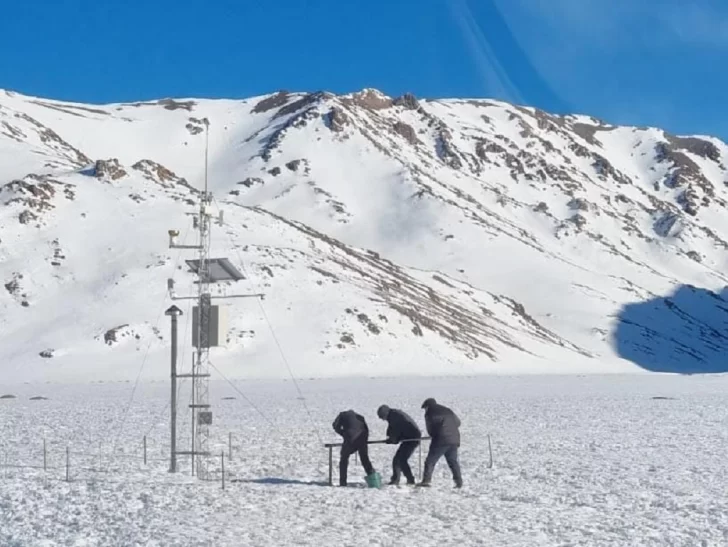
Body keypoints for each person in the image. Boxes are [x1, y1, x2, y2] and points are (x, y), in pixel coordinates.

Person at [419, 398, 463, 488]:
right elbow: (458, 422)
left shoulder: (430, 413)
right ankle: (459, 481)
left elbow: (430, 427)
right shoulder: (447, 410)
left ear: (427, 406)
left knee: (430, 461)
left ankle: (426, 481)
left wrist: (434, 435)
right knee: (453, 461)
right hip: (454, 439)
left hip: (441, 440)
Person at [377, 404, 422, 486]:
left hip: (412, 439)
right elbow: (393, 428)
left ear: (385, 414)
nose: (383, 419)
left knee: (399, 460)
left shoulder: (394, 416)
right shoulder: (393, 415)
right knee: (400, 460)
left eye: (382, 417)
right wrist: (392, 438)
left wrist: (393, 440)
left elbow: (396, 429)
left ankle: (398, 480)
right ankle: (408, 479)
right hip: (410, 437)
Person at [332, 409, 375, 486]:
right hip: (362, 438)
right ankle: (373, 480)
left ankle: (343, 482)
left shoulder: (342, 415)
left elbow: (335, 425)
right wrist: (364, 442)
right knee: (365, 459)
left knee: (344, 458)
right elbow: (366, 429)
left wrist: (343, 434)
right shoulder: (360, 417)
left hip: (350, 438)